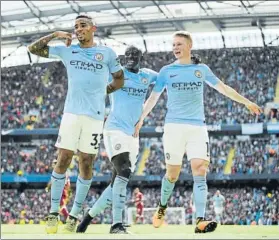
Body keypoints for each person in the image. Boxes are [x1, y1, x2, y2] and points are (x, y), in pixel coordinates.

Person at [134, 30, 262, 233]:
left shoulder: (201, 69)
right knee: (172, 175)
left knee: (200, 170)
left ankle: (200, 220)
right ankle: (162, 207)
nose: (175, 48)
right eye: (173, 44)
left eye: (179, 44)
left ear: (189, 46)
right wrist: (140, 119)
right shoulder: (166, 71)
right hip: (174, 128)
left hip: (198, 127)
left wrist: (246, 102)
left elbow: (224, 88)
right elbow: (153, 98)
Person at [28, 15, 124, 234]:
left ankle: (73, 215)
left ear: (93, 28)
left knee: (87, 163)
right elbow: (33, 49)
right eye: (75, 27)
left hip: (95, 116)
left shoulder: (107, 53)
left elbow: (119, 79)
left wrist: (103, 91)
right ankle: (53, 213)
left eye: (83, 26)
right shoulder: (67, 50)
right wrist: (55, 34)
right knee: (63, 159)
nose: (78, 30)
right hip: (71, 114)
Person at [75, 45, 158, 234]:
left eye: (134, 55)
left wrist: (189, 64)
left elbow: (166, 77)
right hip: (114, 129)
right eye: (127, 54)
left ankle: (87, 218)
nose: (130, 57)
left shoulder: (147, 76)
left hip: (133, 134)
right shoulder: (117, 74)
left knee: (117, 182)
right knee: (124, 170)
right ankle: (116, 224)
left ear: (140, 57)